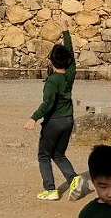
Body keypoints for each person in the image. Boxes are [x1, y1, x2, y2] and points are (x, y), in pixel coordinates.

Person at [24, 26, 82, 200]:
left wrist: (34, 118)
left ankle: (50, 190)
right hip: (68, 120)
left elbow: (48, 103)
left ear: (51, 62)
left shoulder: (52, 81)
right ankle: (74, 178)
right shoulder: (70, 74)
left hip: (54, 122)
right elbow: (70, 53)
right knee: (58, 154)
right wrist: (66, 33)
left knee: (44, 155)